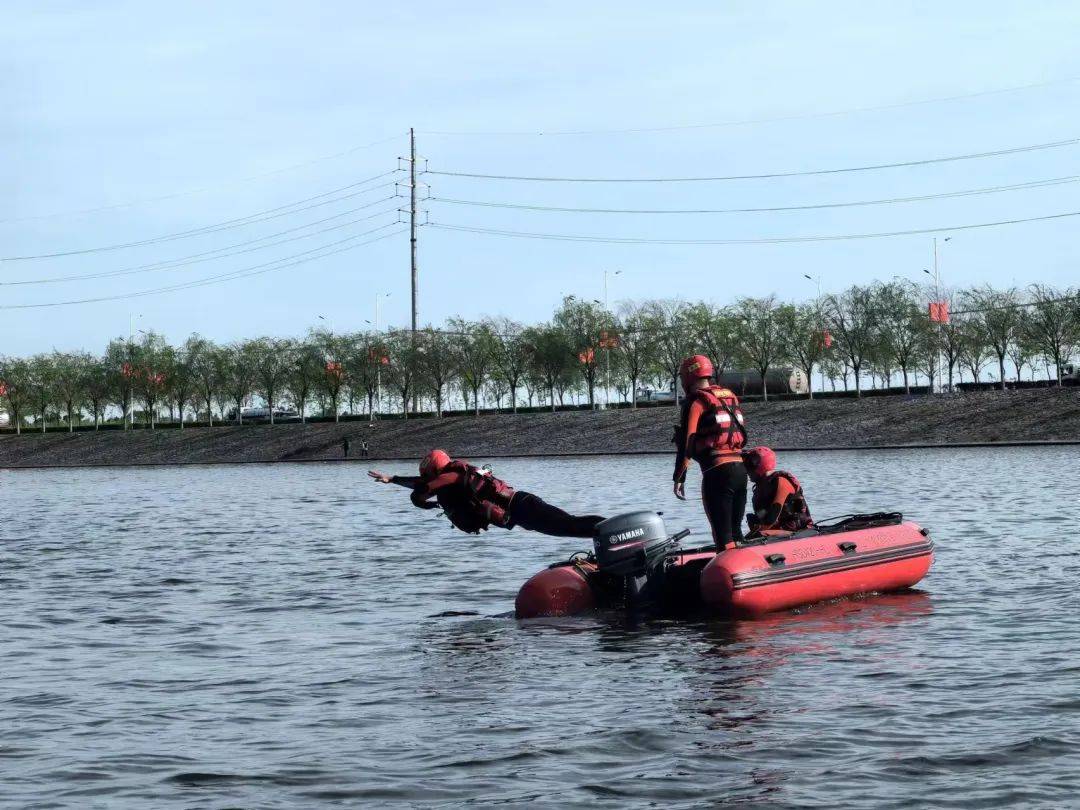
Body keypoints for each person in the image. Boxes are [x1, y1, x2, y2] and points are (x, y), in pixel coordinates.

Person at [368, 449, 605, 538]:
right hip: (521, 511)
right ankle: (606, 535)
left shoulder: (451, 477)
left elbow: (422, 490)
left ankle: (611, 531)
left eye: (430, 475)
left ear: (435, 471)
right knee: (566, 527)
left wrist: (399, 484)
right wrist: (392, 480)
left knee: (568, 525)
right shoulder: (450, 479)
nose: (430, 480)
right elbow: (423, 485)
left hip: (521, 505)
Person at [672, 355, 748, 550]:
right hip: (741, 471)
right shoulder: (728, 396)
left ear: (688, 377)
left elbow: (687, 442)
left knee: (722, 536)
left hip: (718, 474)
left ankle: (725, 576)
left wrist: (679, 477)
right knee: (736, 532)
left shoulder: (696, 403)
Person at [743, 446, 814, 536]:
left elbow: (771, 519)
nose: (747, 471)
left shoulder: (781, 481)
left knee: (757, 535)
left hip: (798, 530)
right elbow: (764, 517)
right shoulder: (759, 487)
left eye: (749, 466)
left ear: (760, 465)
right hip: (777, 530)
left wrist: (751, 536)